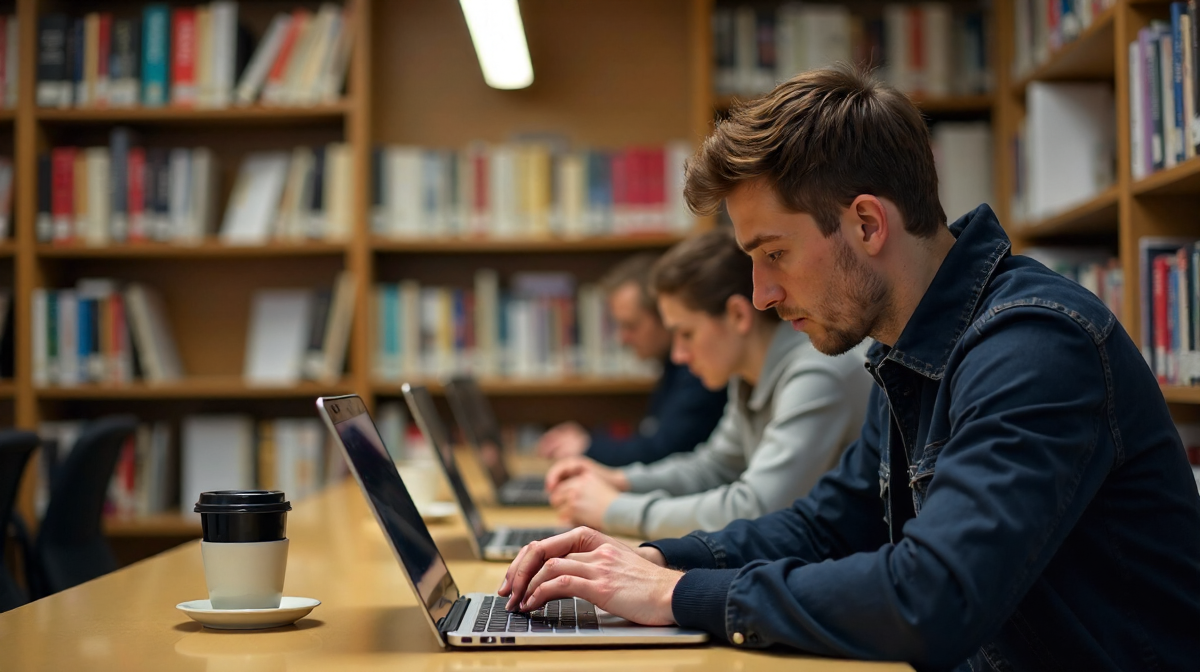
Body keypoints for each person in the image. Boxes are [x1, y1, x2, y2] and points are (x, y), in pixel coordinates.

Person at [497, 65, 1200, 672]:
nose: (761, 295)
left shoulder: (1035, 346)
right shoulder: (905, 351)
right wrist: (653, 560)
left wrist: (677, 595)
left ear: (866, 224)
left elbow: (933, 596)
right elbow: (825, 528)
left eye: (774, 253)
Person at [546, 228, 872, 538]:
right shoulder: (748, 376)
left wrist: (615, 509)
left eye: (686, 334)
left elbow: (756, 508)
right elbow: (713, 469)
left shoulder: (818, 374)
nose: (678, 355)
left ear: (738, 316)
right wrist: (619, 480)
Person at [536, 254, 727, 467]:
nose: (622, 338)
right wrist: (589, 441)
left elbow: (664, 450)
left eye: (631, 326)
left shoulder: (698, 368)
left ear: (664, 317)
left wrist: (589, 447)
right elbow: (653, 435)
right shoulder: (672, 366)